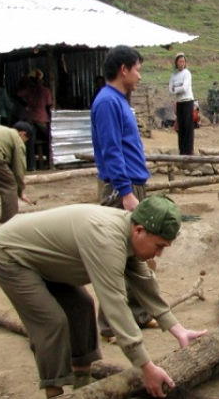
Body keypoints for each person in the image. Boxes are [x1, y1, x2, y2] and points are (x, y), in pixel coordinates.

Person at [0, 195, 208, 399]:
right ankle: (55, 393)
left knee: (82, 306)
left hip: (43, 260)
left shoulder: (129, 233)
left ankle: (83, 385)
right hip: (10, 255)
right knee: (52, 322)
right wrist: (146, 368)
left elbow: (146, 285)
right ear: (139, 230)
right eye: (159, 246)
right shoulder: (107, 241)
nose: (159, 254)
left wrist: (178, 330)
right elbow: (116, 307)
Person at [91, 45, 158, 342]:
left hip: (131, 183)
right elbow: (111, 149)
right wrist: (125, 191)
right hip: (123, 187)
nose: (139, 76)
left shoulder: (118, 100)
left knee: (135, 253)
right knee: (116, 253)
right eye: (138, 69)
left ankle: (138, 313)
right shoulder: (107, 102)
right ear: (123, 70)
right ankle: (111, 325)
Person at [17, 69, 53, 171]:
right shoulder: (46, 90)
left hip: (30, 119)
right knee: (50, 140)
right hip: (42, 118)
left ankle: (31, 166)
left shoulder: (29, 89)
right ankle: (48, 163)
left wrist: (25, 104)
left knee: (29, 142)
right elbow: (49, 105)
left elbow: (18, 95)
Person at [169, 53, 195, 155]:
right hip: (179, 102)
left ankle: (188, 150)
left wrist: (176, 88)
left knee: (188, 126)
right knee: (181, 126)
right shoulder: (173, 75)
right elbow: (170, 91)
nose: (182, 63)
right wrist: (178, 87)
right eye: (180, 61)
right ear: (176, 63)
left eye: (183, 61)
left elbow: (184, 88)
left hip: (188, 101)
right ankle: (182, 149)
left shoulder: (187, 73)